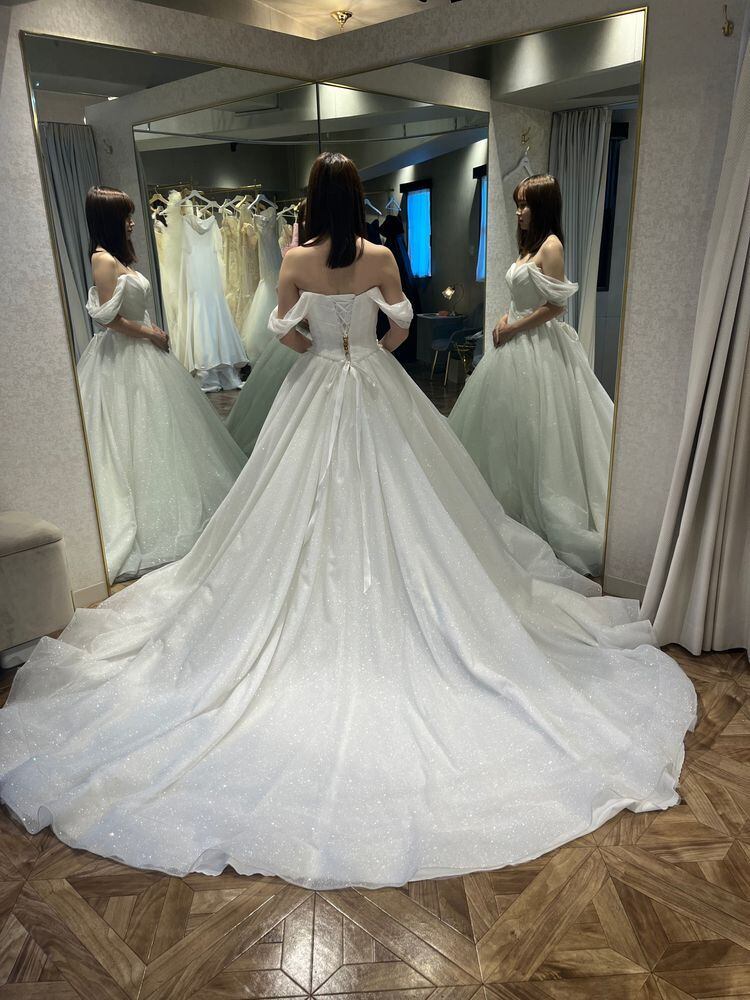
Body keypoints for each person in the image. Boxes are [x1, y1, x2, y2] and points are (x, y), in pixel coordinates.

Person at [0, 157, 695, 891]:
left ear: (310, 201)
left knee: (288, 504)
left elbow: (284, 334)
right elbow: (402, 325)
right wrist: (367, 350)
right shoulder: (382, 256)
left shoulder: (297, 260)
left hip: (315, 387)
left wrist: (323, 350)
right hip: (374, 383)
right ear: (358, 200)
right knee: (410, 501)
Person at [76, 186, 246, 582]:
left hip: (145, 354)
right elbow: (107, 319)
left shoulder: (116, 258)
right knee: (137, 434)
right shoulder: (102, 259)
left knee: (166, 433)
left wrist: (150, 334)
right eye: (126, 216)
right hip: (125, 358)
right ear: (108, 219)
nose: (132, 223)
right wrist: (149, 332)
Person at [448, 174, 613, 576]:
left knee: (538, 431)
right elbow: (524, 298)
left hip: (538, 347)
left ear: (542, 207)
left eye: (525, 205)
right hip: (514, 342)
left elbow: (555, 308)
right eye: (518, 204)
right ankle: (502, 507)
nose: (519, 212)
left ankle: (535, 512)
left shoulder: (551, 246)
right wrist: (505, 319)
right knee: (504, 430)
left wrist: (514, 328)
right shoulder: (529, 247)